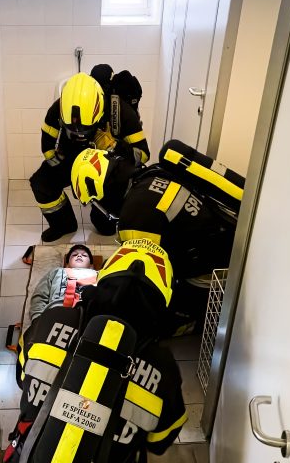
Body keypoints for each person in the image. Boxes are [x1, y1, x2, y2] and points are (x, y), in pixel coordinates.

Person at [1, 240, 187, 463]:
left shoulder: (50, 321)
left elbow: (21, 379)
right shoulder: (163, 368)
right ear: (163, 300)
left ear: (103, 279)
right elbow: (160, 442)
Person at [70, 139, 245, 336]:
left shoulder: (133, 219)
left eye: (94, 203)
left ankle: (193, 321)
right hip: (226, 238)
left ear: (98, 191)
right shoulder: (153, 173)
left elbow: (142, 279)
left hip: (212, 272)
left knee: (153, 317)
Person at [31, 72, 150, 242]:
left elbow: (143, 154)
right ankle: (63, 225)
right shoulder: (60, 106)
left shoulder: (121, 111)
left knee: (105, 227)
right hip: (73, 157)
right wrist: (62, 168)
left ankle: (105, 215)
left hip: (107, 168)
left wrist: (114, 147)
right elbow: (48, 142)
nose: (81, 134)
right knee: (41, 183)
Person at [28, 244, 97, 322]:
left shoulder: (99, 274)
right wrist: (37, 319)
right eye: (74, 255)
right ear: (67, 264)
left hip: (91, 315)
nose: (79, 256)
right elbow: (40, 296)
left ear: (91, 265)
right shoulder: (57, 272)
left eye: (84, 255)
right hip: (56, 314)